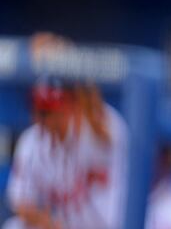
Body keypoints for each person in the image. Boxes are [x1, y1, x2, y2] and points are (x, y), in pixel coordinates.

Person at [5, 81, 128, 229]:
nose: (43, 119)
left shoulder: (101, 130)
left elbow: (101, 125)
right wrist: (48, 222)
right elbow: (20, 201)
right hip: (63, 225)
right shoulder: (31, 142)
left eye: (49, 111)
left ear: (73, 104)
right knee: (13, 226)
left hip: (106, 225)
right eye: (40, 111)